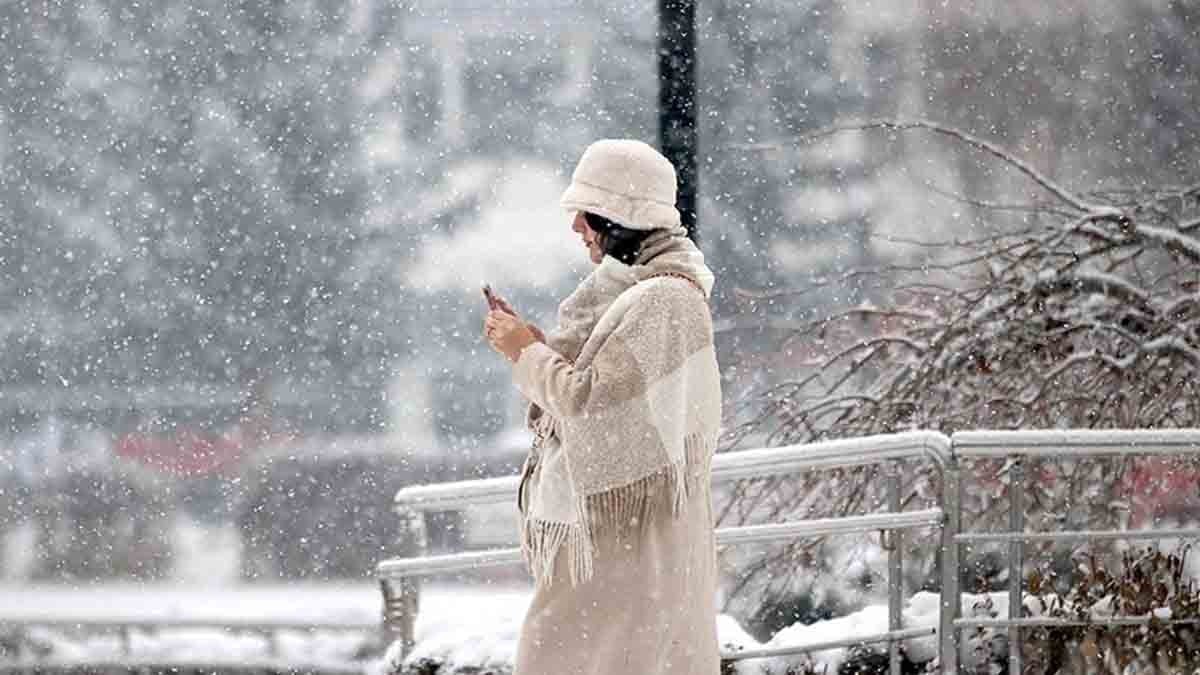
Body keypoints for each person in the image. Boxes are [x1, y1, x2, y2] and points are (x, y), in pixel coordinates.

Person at [484, 139, 723, 674]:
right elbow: (602, 391)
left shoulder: (663, 299)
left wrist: (524, 350)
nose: (576, 227)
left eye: (585, 213)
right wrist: (532, 346)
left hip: (626, 543)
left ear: (620, 217)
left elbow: (590, 403)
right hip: (620, 540)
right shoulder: (638, 294)